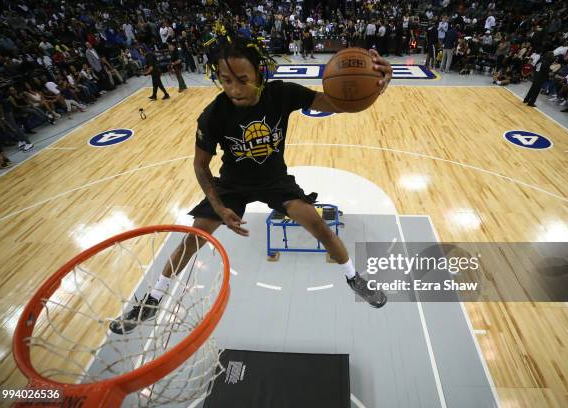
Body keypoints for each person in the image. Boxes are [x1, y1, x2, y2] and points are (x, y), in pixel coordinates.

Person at [109, 36, 393, 334]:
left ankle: (353, 278)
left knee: (319, 226)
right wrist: (219, 206)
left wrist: (374, 86)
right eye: (225, 80)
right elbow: (200, 165)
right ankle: (153, 300)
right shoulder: (213, 115)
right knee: (193, 238)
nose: (234, 89)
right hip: (233, 185)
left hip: (275, 181)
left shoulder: (281, 94)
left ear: (259, 72)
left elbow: (337, 104)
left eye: (242, 80)